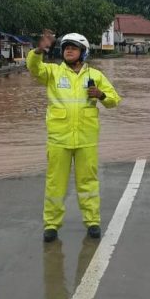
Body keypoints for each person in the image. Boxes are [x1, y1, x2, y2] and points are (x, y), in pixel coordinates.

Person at [27, 30, 121, 243]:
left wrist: (101, 95)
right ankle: (51, 225)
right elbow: (33, 67)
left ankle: (92, 222)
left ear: (83, 52)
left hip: (86, 140)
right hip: (58, 139)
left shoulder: (95, 76)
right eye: (66, 47)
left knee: (88, 183)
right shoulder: (52, 72)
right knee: (55, 184)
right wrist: (39, 50)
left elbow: (115, 100)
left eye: (73, 47)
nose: (68, 50)